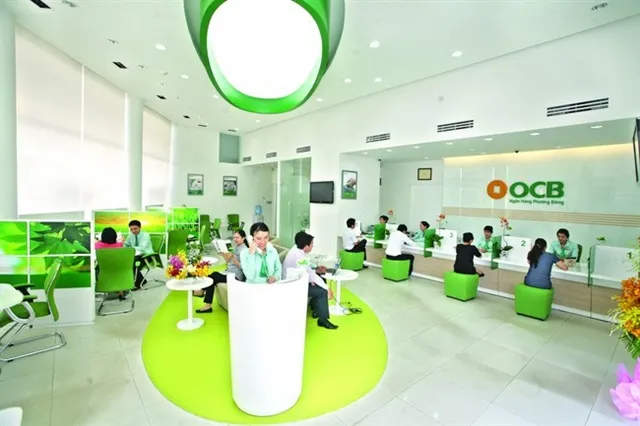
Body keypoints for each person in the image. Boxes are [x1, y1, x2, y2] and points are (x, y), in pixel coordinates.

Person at [283, 231, 338, 330]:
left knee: (321, 278)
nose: (313, 245)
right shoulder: (299, 256)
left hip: (297, 279)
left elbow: (305, 268)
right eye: (311, 244)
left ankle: (316, 309)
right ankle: (323, 320)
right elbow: (310, 274)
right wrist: (327, 288)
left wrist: (316, 269)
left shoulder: (296, 249)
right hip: (294, 286)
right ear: (306, 246)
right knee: (322, 291)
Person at [194, 230, 248, 313]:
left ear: (243, 238)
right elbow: (228, 261)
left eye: (237, 237)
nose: (235, 239)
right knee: (212, 275)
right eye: (234, 237)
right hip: (229, 272)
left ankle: (203, 295)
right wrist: (223, 254)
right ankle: (206, 302)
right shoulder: (236, 247)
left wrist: (233, 258)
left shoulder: (244, 250)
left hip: (236, 276)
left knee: (213, 276)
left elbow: (243, 267)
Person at [123, 220, 153, 289]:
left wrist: (130, 248)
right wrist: (123, 245)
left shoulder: (145, 235)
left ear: (140, 227)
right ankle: (141, 280)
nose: (133, 231)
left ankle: (137, 284)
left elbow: (141, 248)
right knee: (127, 262)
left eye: (135, 229)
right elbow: (125, 244)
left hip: (147, 256)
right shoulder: (131, 235)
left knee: (131, 263)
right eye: (131, 229)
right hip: (136, 256)